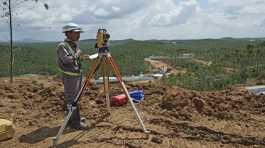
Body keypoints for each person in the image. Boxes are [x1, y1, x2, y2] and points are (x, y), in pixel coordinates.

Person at [57, 23, 87, 130]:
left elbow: (75, 58)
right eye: (76, 33)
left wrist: (82, 57)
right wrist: (77, 54)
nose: (78, 35)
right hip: (70, 77)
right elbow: (67, 60)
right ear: (68, 33)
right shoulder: (62, 46)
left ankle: (71, 119)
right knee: (72, 99)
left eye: (79, 33)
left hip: (77, 75)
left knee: (75, 98)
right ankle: (75, 123)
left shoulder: (74, 45)